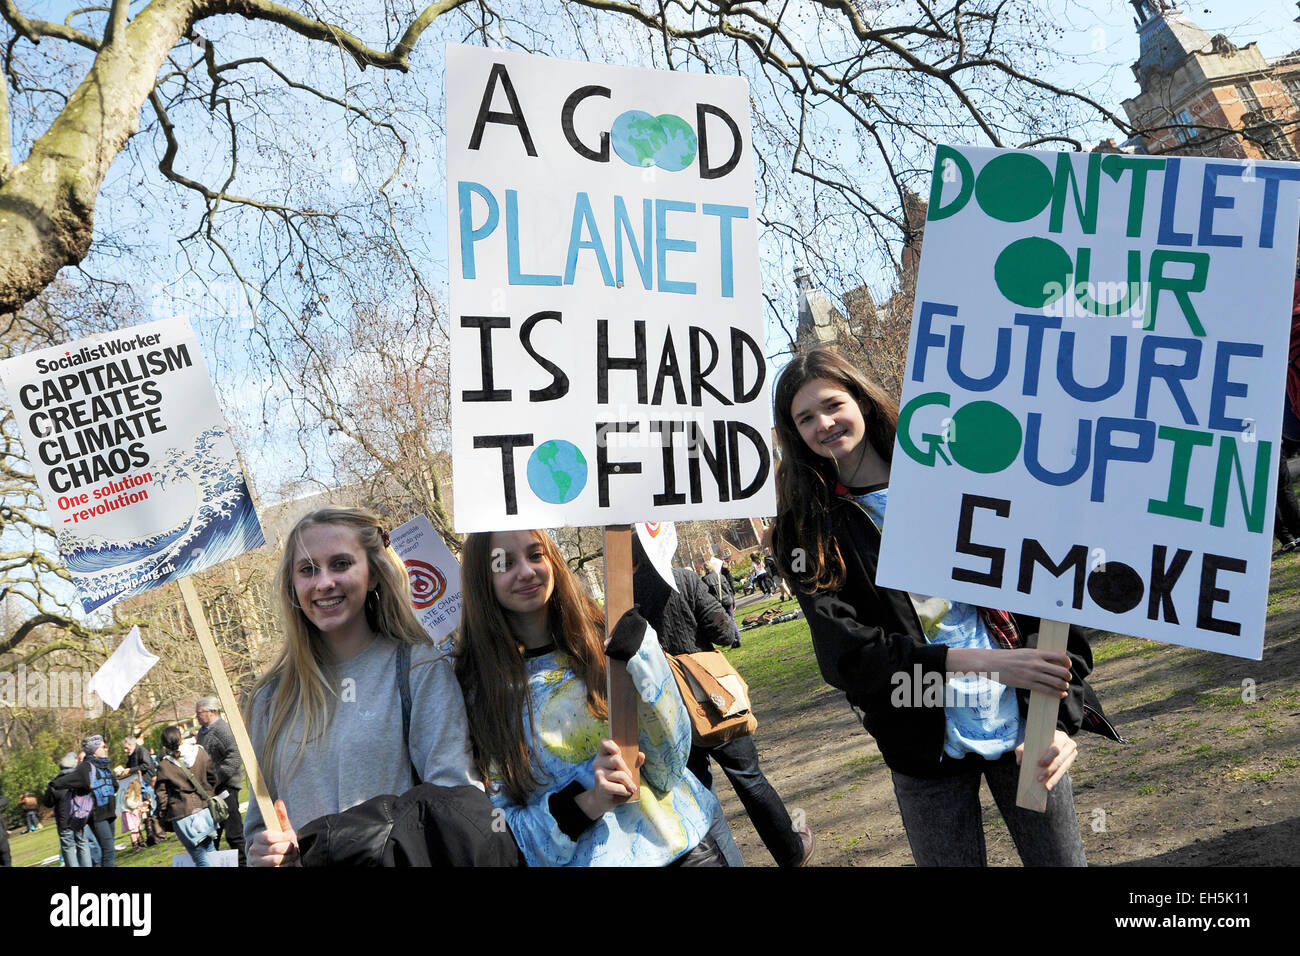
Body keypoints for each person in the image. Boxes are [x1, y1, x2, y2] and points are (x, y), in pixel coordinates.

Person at [771, 346, 1119, 867]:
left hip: (1026, 725)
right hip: (923, 746)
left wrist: (1063, 720)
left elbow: (1045, 588)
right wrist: (989, 663)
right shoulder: (806, 531)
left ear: (861, 401)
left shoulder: (954, 473)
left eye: (832, 404)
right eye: (805, 418)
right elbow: (847, 656)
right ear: (793, 433)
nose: (824, 423)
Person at [456, 528, 725, 866]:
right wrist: (588, 801)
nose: (526, 571)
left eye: (535, 555)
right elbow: (505, 834)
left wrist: (646, 660)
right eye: (504, 563)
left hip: (685, 853)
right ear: (482, 577)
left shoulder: (610, 641)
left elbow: (670, 767)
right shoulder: (476, 693)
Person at [244, 506, 479, 867]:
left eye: (340, 564)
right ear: (293, 583)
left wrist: (340, 845)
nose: (323, 583)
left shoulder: (418, 669)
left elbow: (454, 801)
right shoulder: (268, 700)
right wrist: (265, 851)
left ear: (372, 574)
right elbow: (258, 828)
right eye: (307, 569)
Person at [632, 543, 814, 867]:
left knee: (700, 797)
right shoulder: (684, 579)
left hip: (667, 716)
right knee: (750, 778)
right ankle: (791, 851)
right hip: (712, 699)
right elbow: (723, 631)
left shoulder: (623, 601)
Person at [154, 725, 222, 866]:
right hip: (204, 809)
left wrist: (163, 814)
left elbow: (162, 795)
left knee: (200, 857)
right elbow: (212, 778)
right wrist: (207, 795)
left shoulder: (164, 766)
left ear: (164, 745)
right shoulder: (199, 752)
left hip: (182, 814)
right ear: (180, 737)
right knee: (210, 850)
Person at [195, 696, 246, 865]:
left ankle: (244, 863)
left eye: (199, 713)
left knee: (234, 832)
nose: (197, 717)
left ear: (211, 711)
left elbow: (236, 754)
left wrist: (219, 776)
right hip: (210, 791)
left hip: (226, 788)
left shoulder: (222, 730)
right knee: (212, 834)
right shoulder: (202, 733)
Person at [59, 735, 119, 866]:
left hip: (109, 812)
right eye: (103, 747)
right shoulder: (85, 767)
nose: (106, 749)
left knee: (109, 850)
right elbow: (70, 784)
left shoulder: (104, 766)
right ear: (94, 750)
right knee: (108, 850)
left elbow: (115, 785)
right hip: (97, 815)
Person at [44, 753, 92, 866]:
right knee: (83, 843)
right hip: (80, 817)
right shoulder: (80, 779)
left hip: (64, 820)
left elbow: (47, 803)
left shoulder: (54, 784)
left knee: (68, 848)